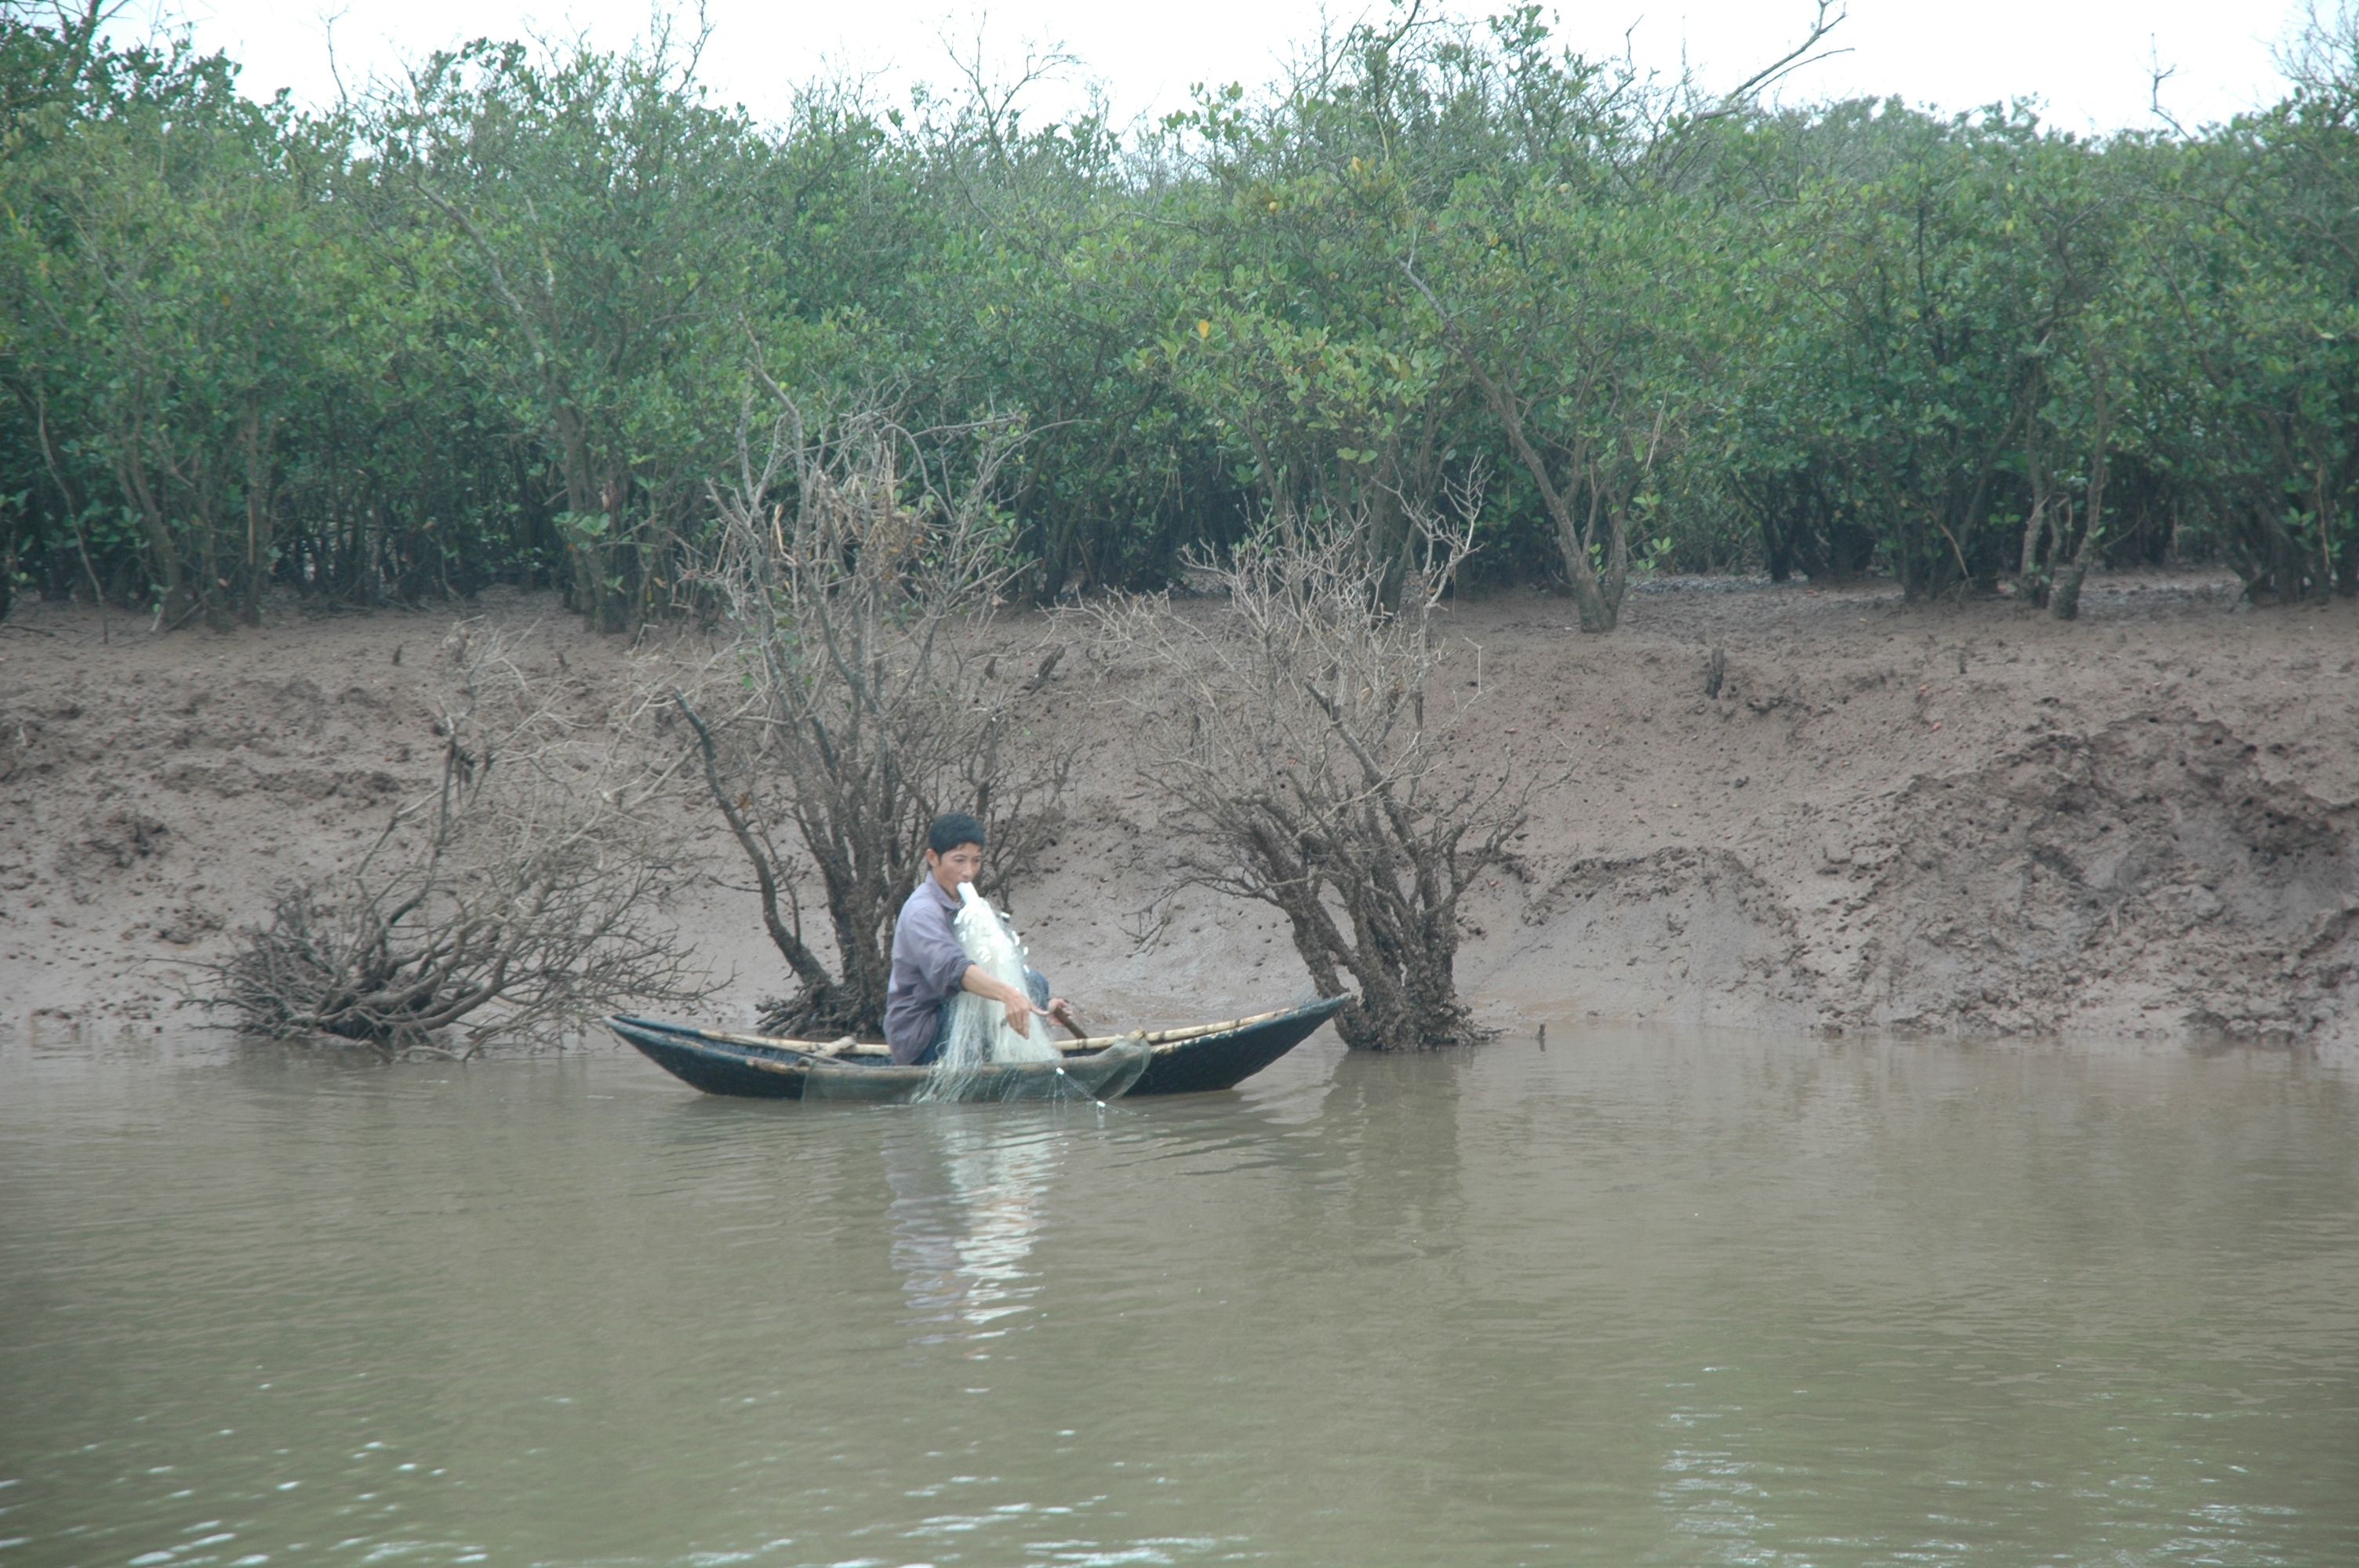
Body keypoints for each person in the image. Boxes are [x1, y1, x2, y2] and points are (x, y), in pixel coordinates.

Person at [884, 812, 1074, 1065]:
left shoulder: (960, 902)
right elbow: (954, 969)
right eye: (959, 860)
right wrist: (1009, 996)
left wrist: (1039, 1005)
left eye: (976, 861)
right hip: (922, 1036)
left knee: (1035, 983)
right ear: (933, 858)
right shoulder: (923, 911)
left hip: (950, 1014)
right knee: (1015, 991)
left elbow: (990, 966)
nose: (968, 872)